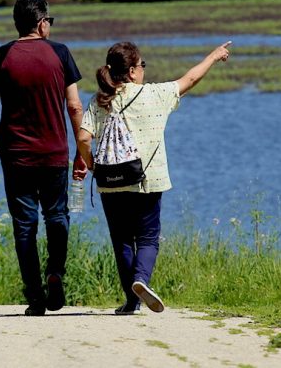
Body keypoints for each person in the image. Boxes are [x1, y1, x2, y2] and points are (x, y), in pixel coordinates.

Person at [77, 40, 231, 315]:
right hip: (148, 179)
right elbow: (191, 78)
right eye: (142, 65)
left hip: (111, 182)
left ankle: (131, 302)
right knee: (148, 238)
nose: (143, 70)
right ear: (133, 71)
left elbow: (82, 137)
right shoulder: (155, 95)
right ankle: (141, 280)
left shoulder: (100, 99)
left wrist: (92, 166)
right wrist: (214, 56)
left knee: (122, 241)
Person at [0, 0, 87, 316]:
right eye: (49, 22)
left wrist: (0, 145)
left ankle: (35, 297)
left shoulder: (2, 55)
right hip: (55, 153)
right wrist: (82, 151)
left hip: (16, 156)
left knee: (24, 225)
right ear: (42, 24)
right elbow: (74, 106)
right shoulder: (60, 53)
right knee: (57, 216)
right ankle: (55, 271)